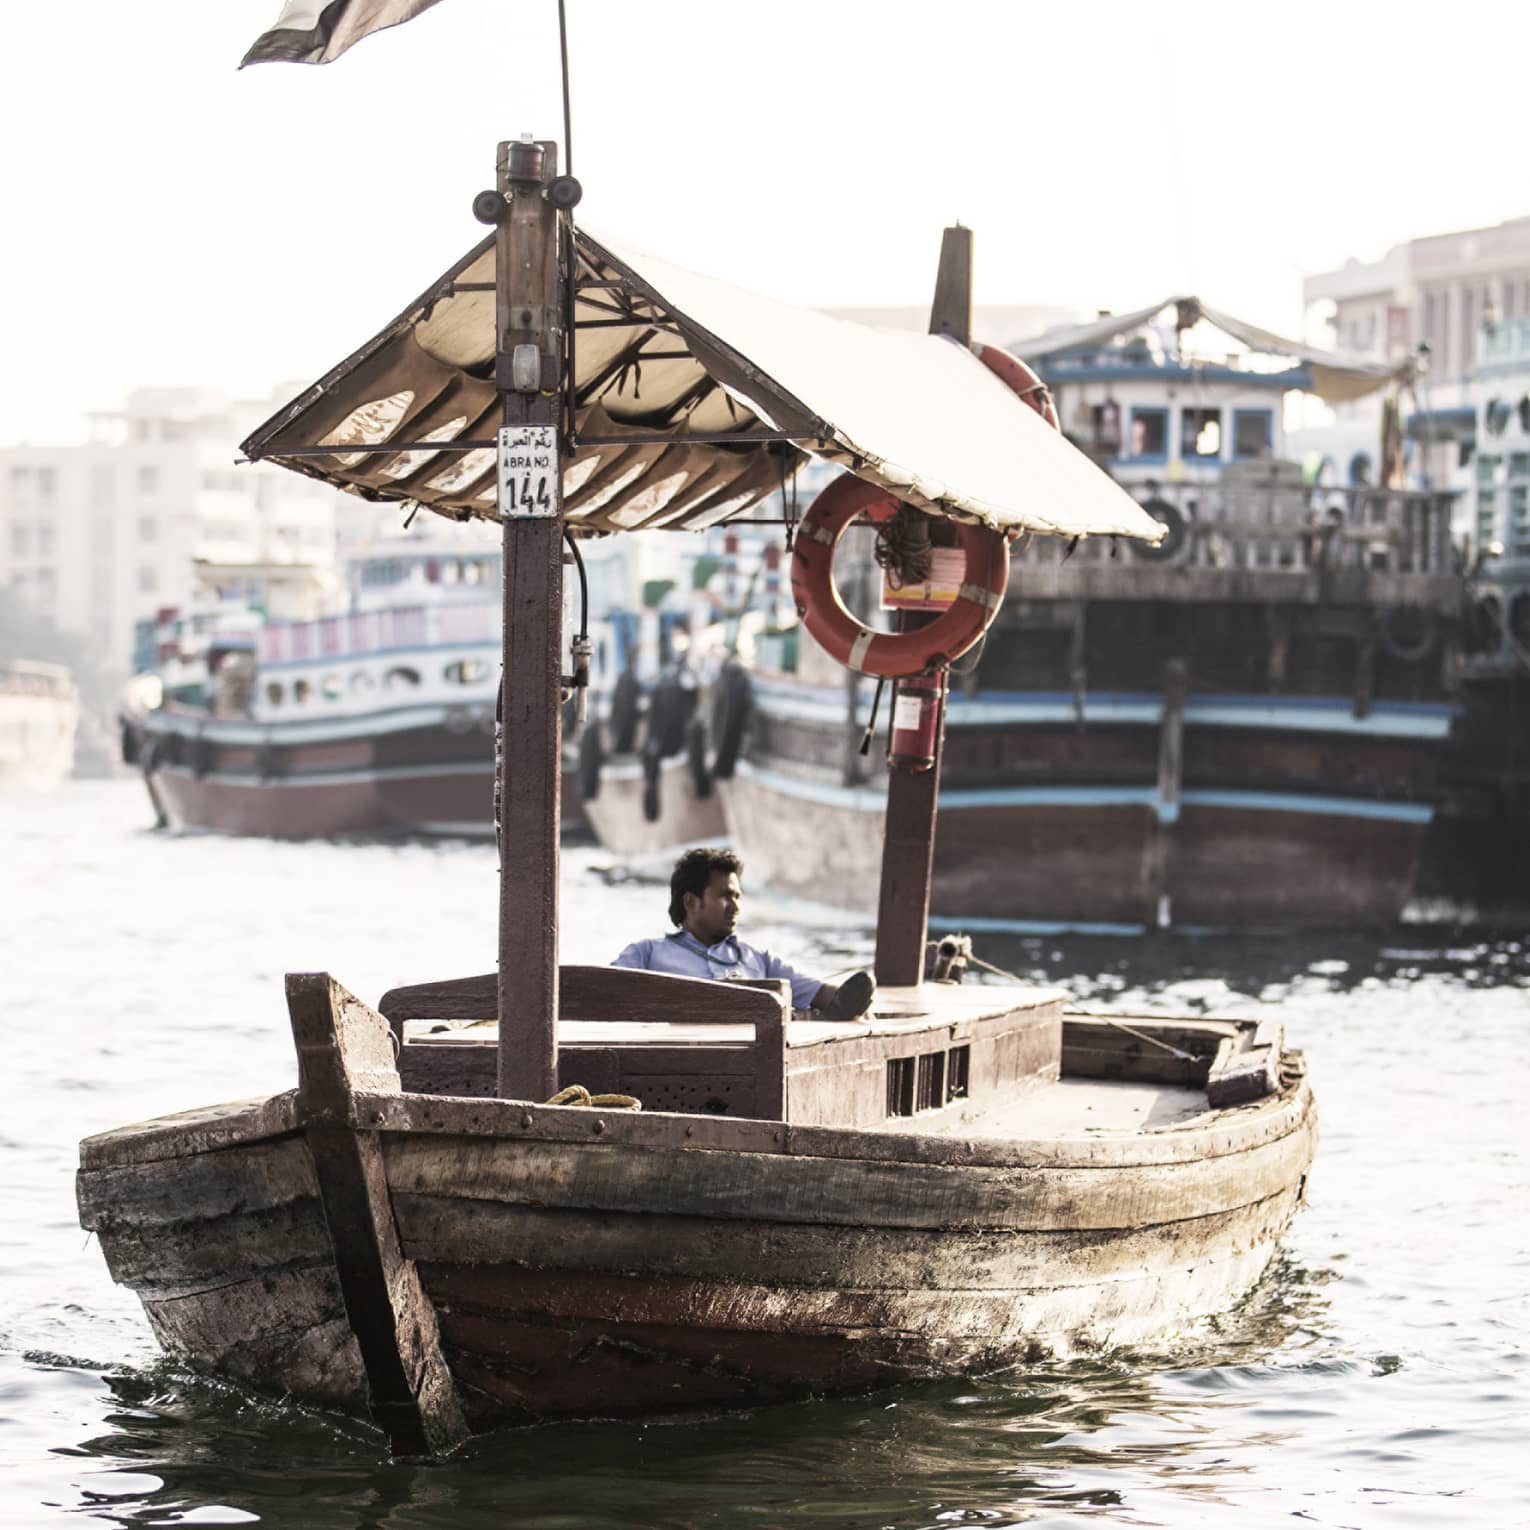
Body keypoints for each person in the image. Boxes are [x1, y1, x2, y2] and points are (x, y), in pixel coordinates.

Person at [612, 847, 876, 1022]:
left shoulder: (759, 960)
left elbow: (827, 995)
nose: (736, 905)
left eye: (737, 896)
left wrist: (855, 1002)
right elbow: (604, 993)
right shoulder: (646, 954)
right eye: (725, 896)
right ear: (691, 902)